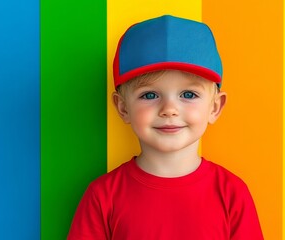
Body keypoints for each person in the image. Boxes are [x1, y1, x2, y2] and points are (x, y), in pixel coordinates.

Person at [67, 15, 263, 239]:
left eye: (188, 94)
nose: (169, 109)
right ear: (122, 108)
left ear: (215, 107)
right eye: (149, 94)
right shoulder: (102, 196)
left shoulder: (232, 194)